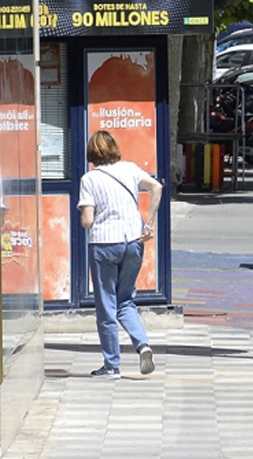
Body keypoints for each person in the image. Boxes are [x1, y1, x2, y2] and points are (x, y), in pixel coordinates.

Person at [78, 130, 163, 378]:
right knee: (125, 299)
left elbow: (87, 220)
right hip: (134, 242)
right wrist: (149, 223)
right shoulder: (130, 169)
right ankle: (143, 345)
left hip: (105, 244)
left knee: (106, 304)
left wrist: (85, 217)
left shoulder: (89, 179)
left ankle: (112, 365)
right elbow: (156, 187)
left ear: (92, 154)